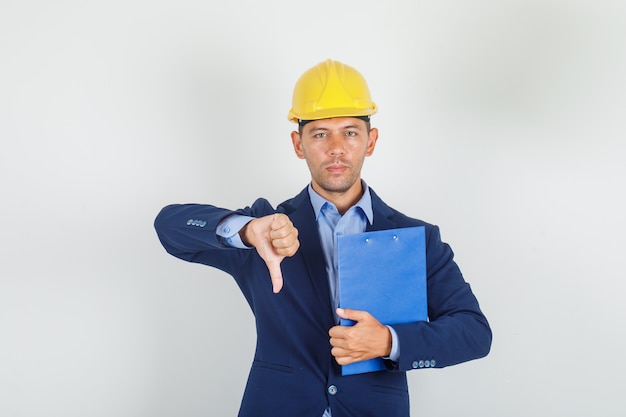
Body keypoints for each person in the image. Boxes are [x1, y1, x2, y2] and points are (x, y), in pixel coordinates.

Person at [154, 59, 492, 417]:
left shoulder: (416, 238)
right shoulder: (266, 230)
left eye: (349, 132)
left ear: (370, 141)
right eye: (319, 134)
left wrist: (389, 341)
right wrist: (247, 230)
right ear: (298, 144)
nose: (335, 148)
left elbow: (473, 331)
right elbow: (169, 227)